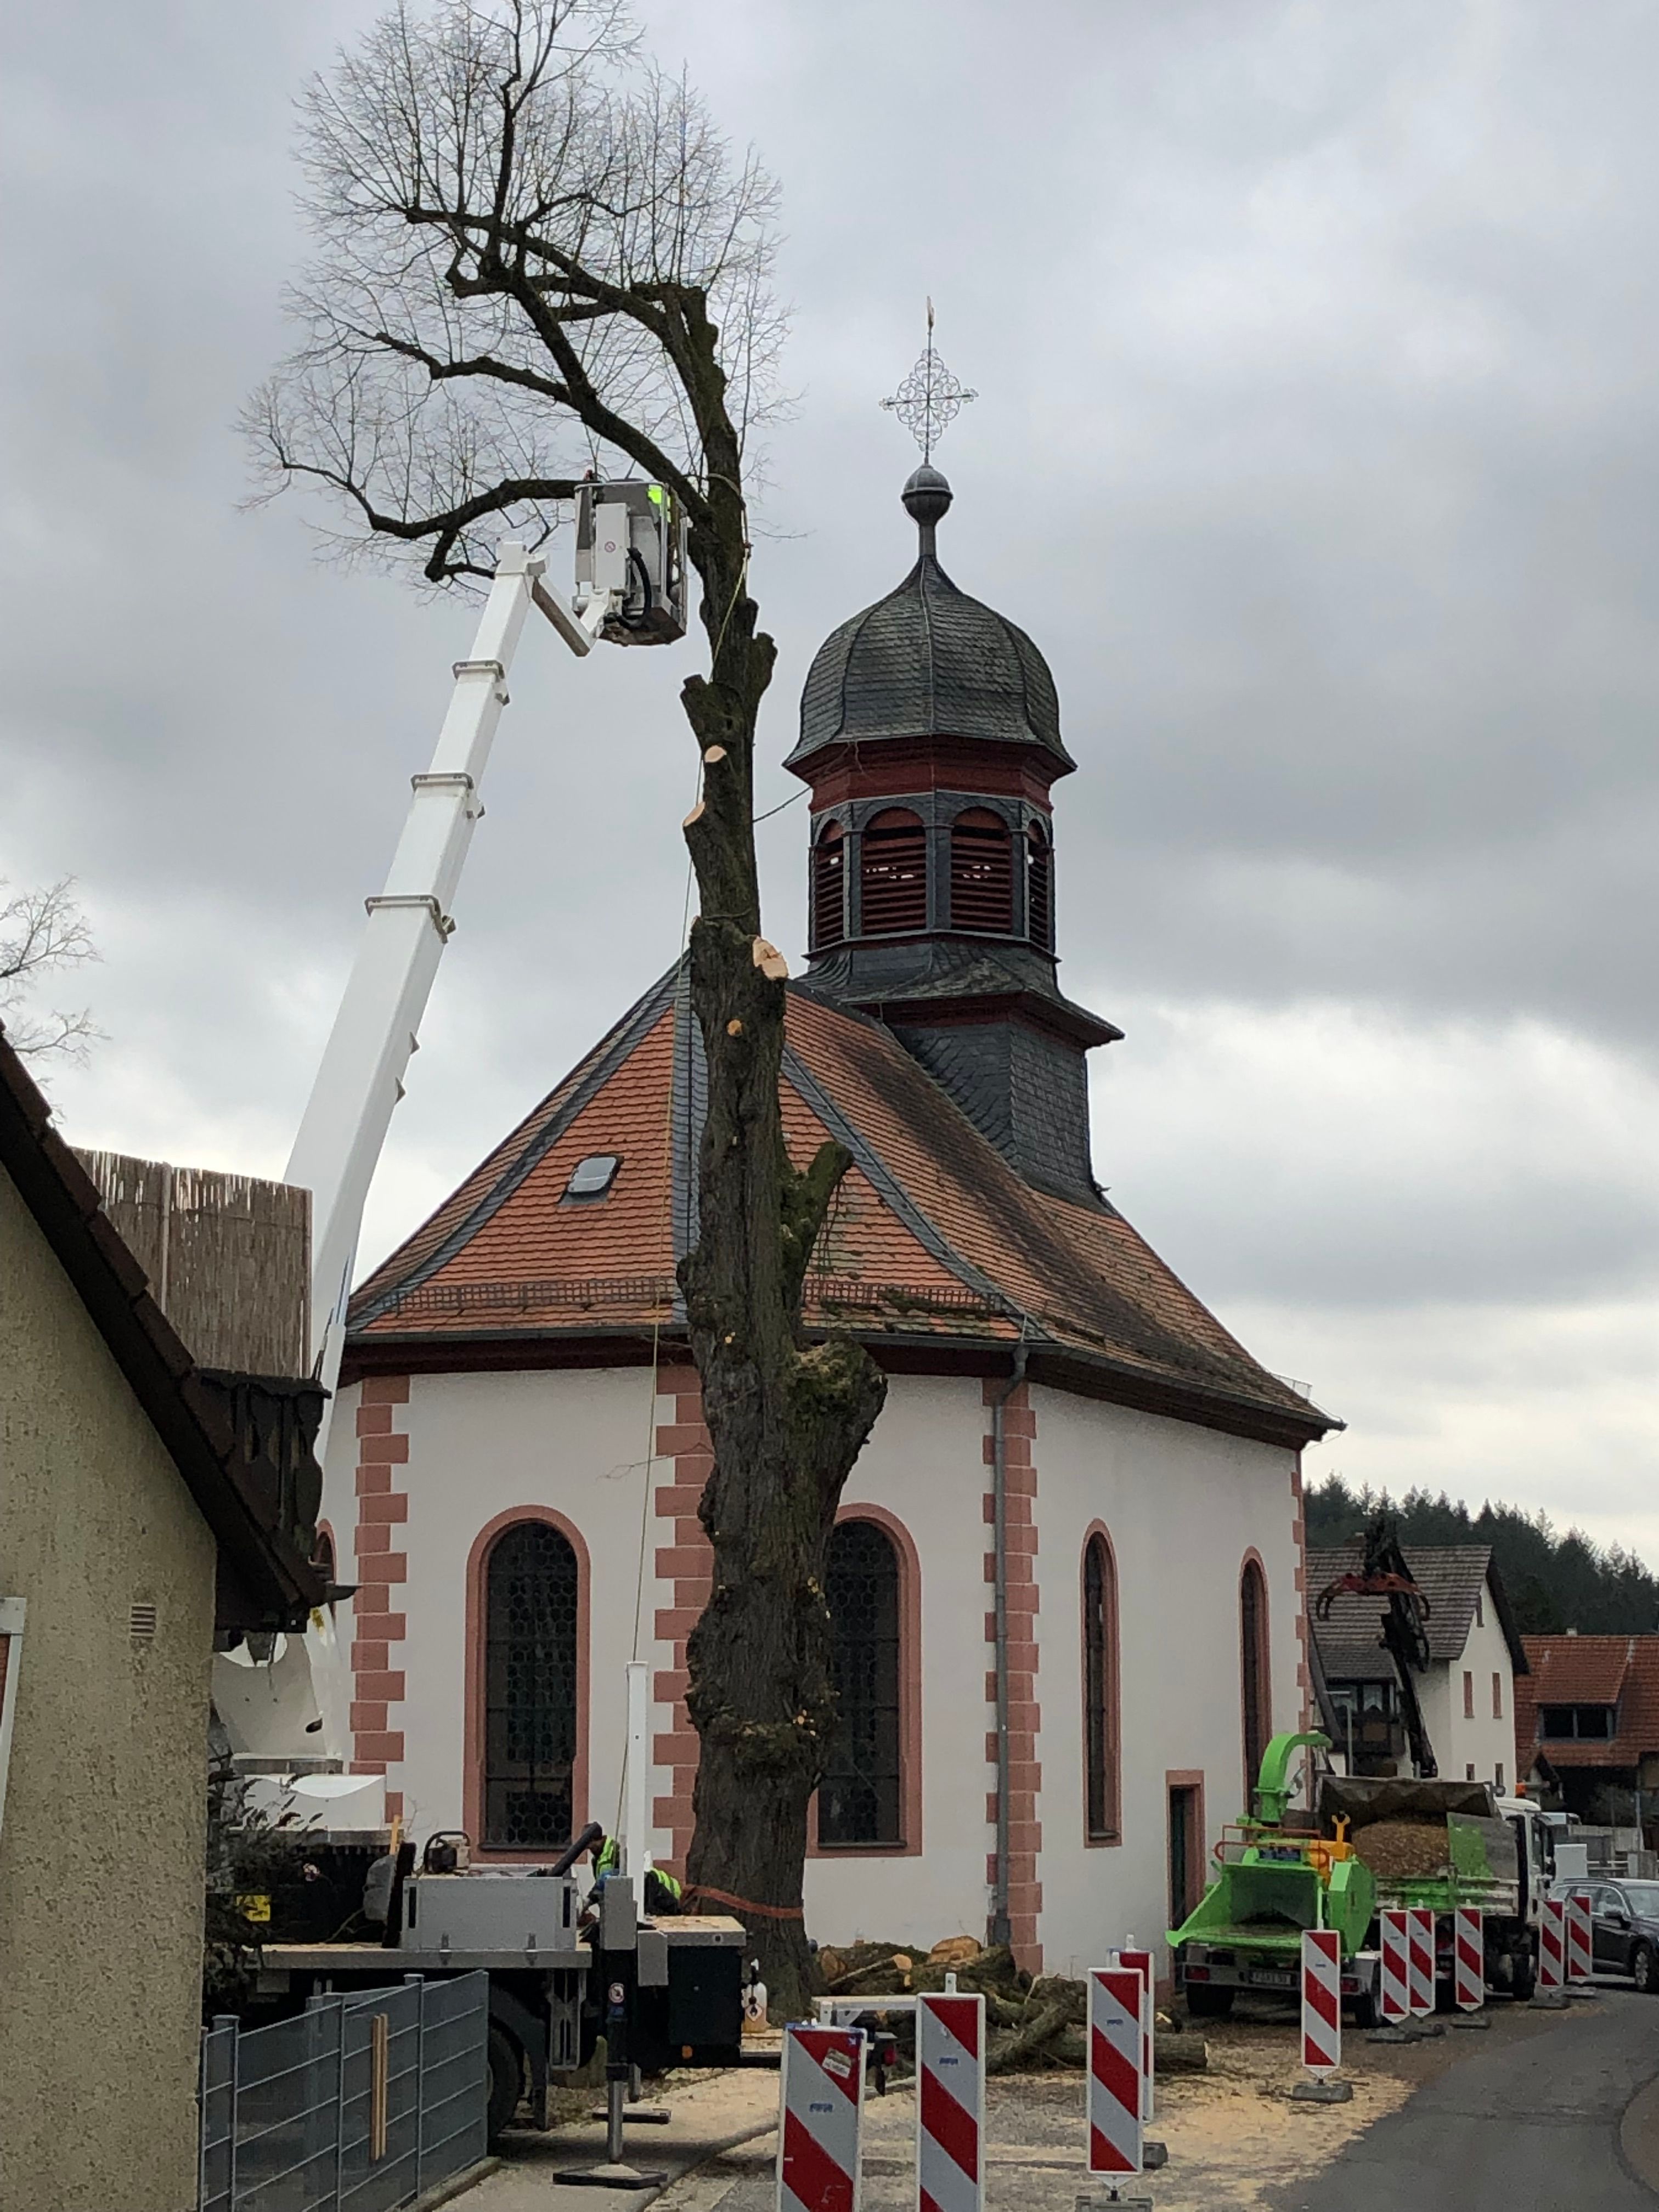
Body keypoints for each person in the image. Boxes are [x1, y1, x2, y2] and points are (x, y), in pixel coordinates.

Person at [589, 1833, 683, 1916]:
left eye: (591, 1846)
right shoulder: (598, 1859)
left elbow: (651, 1910)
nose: (590, 1850)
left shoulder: (615, 1853)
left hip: (668, 1890)